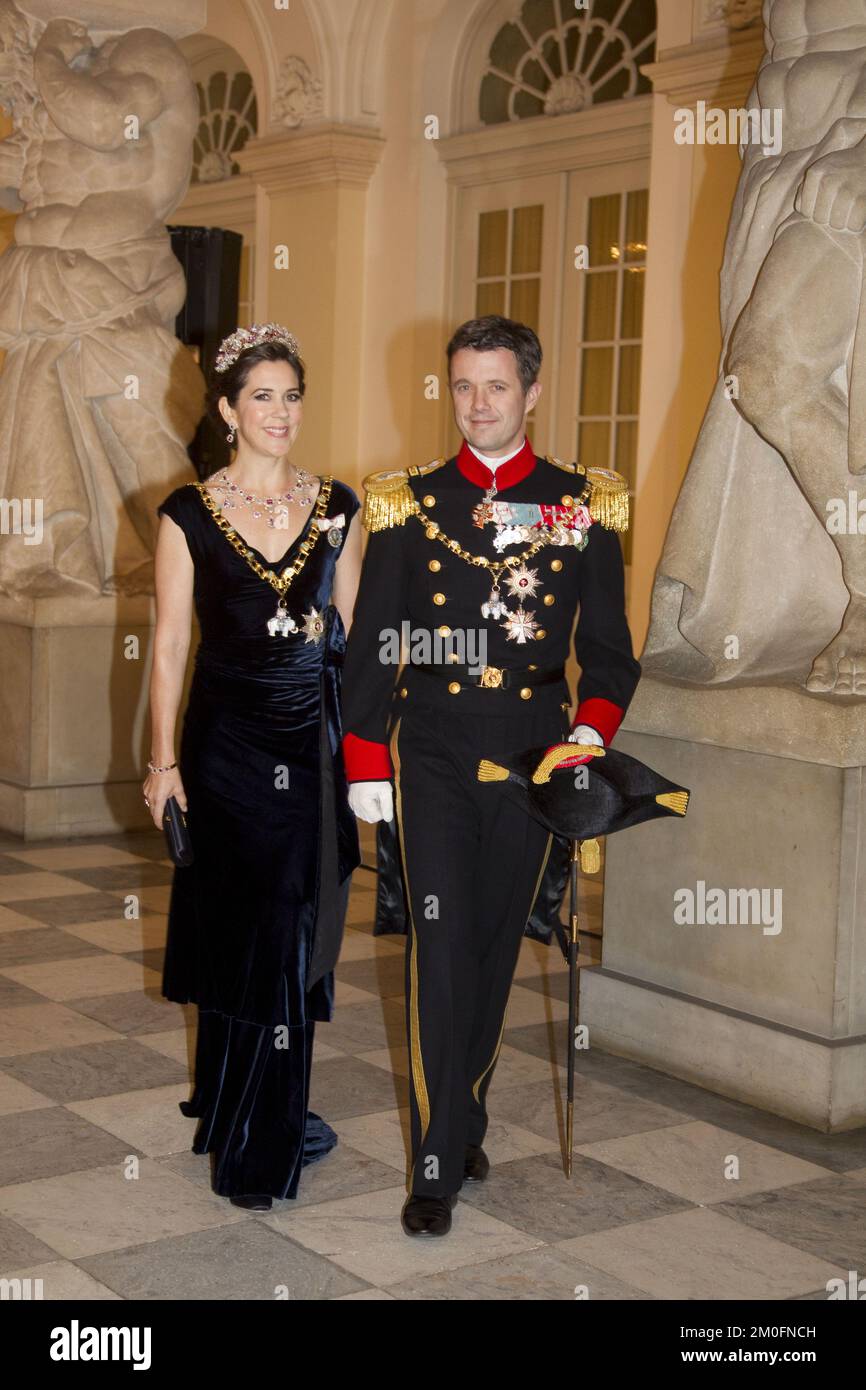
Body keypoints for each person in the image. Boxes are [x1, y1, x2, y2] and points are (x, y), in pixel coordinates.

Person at [340, 315, 641, 1236]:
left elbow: (609, 656)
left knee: (496, 949)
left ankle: (464, 1105)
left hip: (533, 751)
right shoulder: (406, 502)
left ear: (532, 392)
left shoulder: (581, 504)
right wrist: (363, 760)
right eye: (463, 386)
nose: (478, 404)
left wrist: (587, 739)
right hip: (428, 745)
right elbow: (375, 644)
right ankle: (435, 1159)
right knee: (438, 946)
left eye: (496, 386)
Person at [143, 323, 362, 1212]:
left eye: (292, 395)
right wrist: (163, 764)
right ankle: (245, 1120)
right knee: (244, 928)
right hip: (226, 748)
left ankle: (259, 1131)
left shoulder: (340, 508)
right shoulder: (187, 515)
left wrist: (368, 758)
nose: (281, 412)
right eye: (262, 396)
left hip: (307, 748)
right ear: (229, 410)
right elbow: (166, 648)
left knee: (290, 929)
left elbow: (358, 643)